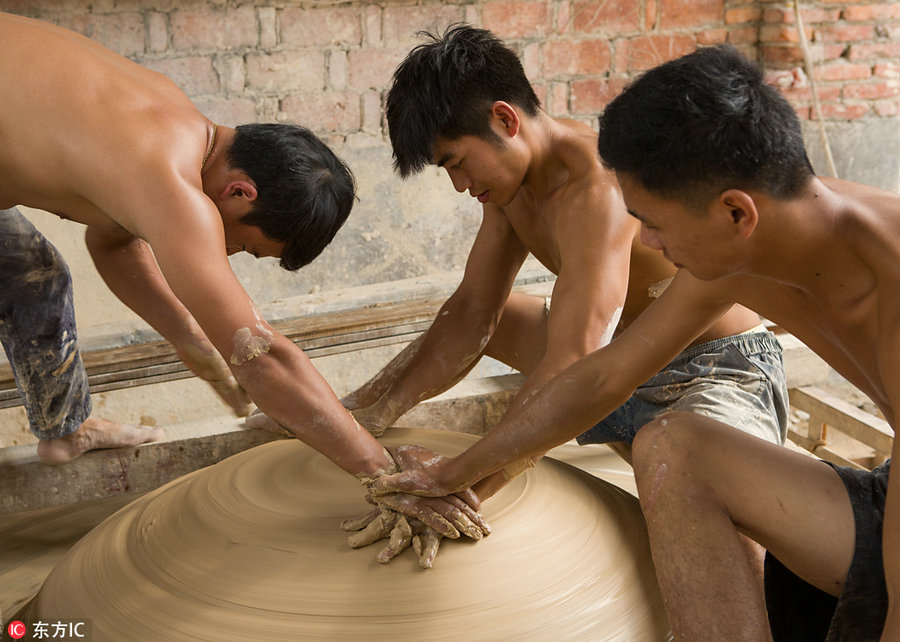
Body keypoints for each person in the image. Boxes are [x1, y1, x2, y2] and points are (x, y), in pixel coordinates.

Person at [368, 43, 898, 639]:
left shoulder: (886, 275)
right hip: (880, 490)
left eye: (656, 224)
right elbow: (598, 376)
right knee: (670, 447)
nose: (644, 241)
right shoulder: (736, 256)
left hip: (729, 378)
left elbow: (580, 363)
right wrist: (444, 470)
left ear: (735, 213)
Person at [0, 13, 487, 560]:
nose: (223, 252)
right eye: (242, 246)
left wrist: (194, 344)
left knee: (32, 273)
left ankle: (65, 428)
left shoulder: (171, 121)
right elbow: (262, 358)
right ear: (240, 192)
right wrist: (382, 475)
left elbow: (112, 243)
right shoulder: (173, 182)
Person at [341, 26, 787, 501]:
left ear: (504, 120)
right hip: (618, 365)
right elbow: (473, 310)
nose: (459, 184)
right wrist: (366, 414)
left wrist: (466, 483)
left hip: (711, 369)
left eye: (457, 163)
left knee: (691, 485)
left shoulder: (597, 188)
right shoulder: (508, 187)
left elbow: (577, 360)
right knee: (501, 315)